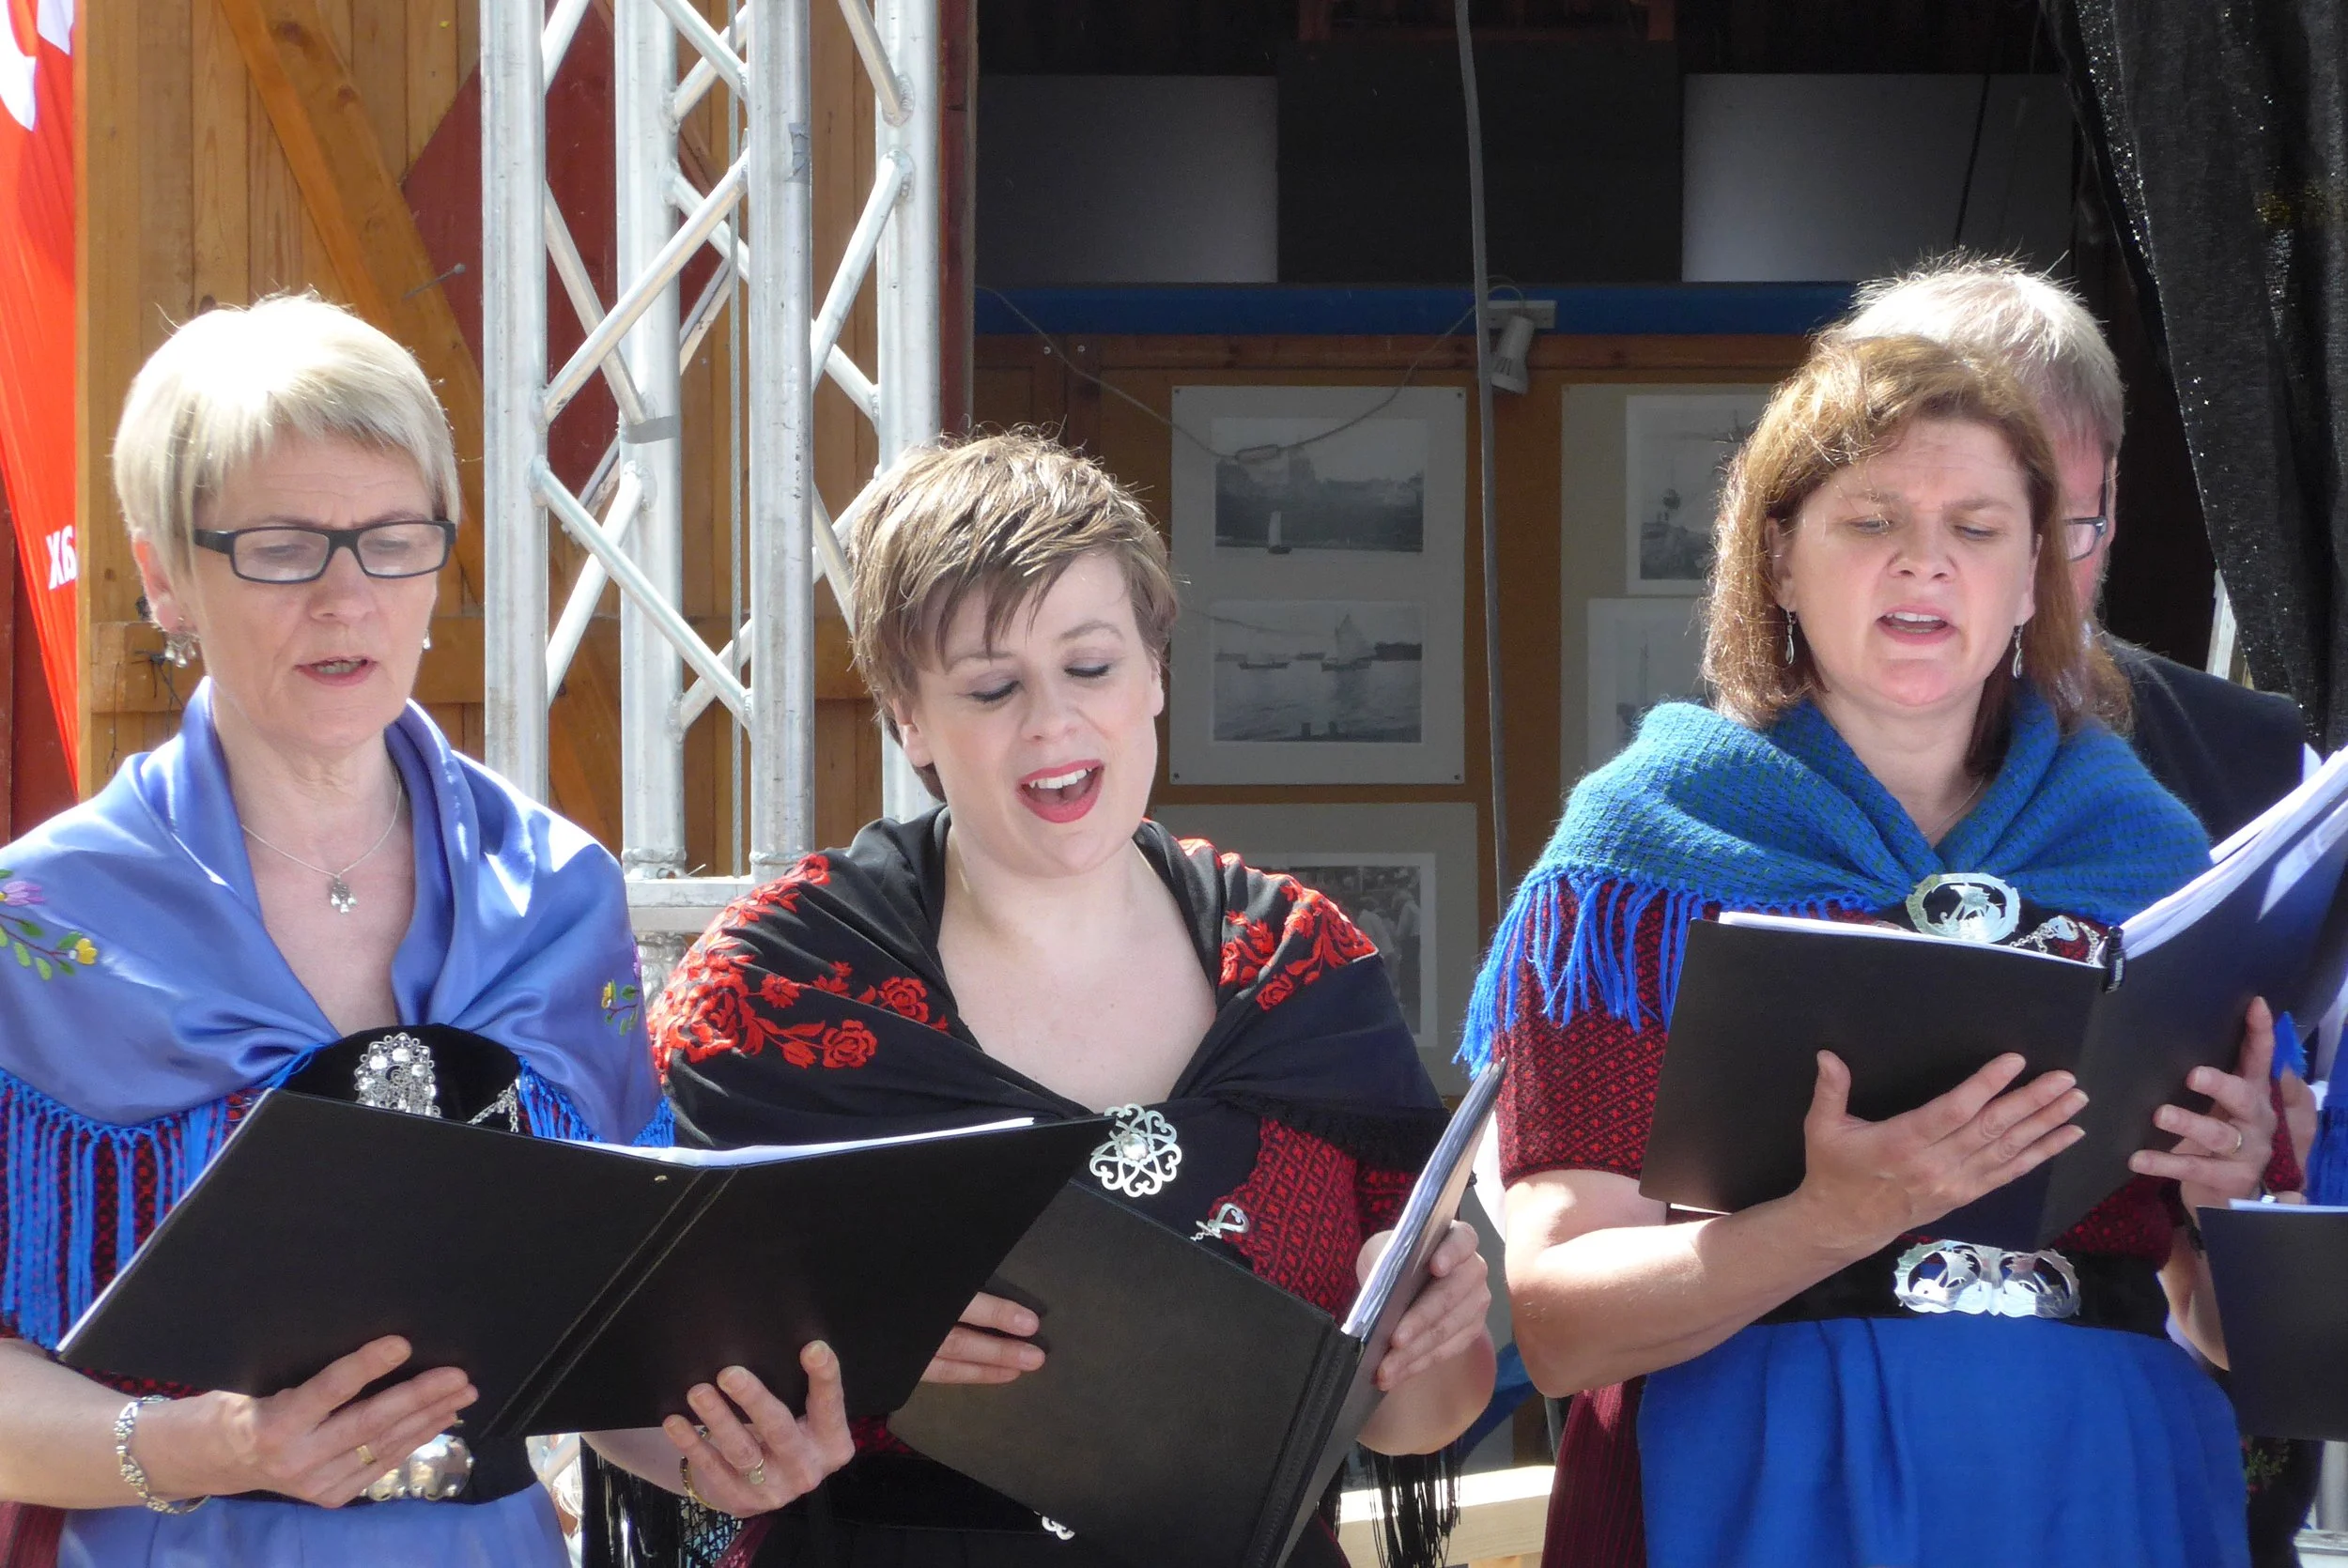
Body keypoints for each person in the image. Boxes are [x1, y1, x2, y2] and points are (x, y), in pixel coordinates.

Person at [0, 296, 849, 1567]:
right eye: (283, 547)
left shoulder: (555, 892)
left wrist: (722, 1452)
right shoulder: (36, 925)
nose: (347, 597)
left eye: (393, 541)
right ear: (165, 574)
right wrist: (207, 1445)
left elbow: (607, 1349)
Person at [1475, 334, 2297, 1568]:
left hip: (2097, 1479)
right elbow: (1558, 1325)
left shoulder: (2156, 866)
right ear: (1776, 560)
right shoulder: (1634, 863)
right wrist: (1827, 1221)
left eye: (1977, 527)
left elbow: (2242, 1336)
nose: (1925, 558)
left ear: (2032, 576)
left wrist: (2237, 1201)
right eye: (1871, 520)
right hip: (1753, 1469)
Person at [641, 431, 1497, 1568]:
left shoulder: (1301, 962)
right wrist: (845, 1351)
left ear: (1155, 672)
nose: (1051, 721)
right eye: (992, 686)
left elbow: (1416, 1417)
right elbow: (632, 1379)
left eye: (1090, 667)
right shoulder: (773, 989)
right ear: (908, 717)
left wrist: (1434, 1334)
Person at [1835, 258, 2324, 1561]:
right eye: (1978, 518)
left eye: (2073, 527)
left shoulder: (2251, 765)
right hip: (1836, 1451)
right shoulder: (1734, 789)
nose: (2030, 579)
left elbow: (2274, 1282)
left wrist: (2247, 1184)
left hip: (2147, 1467)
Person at [1831, 257, 2307, 843]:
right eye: (1883, 522)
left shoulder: (2267, 761)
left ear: (2111, 493)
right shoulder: (1731, 772)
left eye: (2057, 532)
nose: (2020, 588)